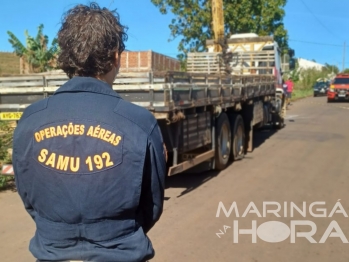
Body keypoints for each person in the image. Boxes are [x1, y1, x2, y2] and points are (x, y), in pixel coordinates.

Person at [12, 3, 166, 262]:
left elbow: (29, 197)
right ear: (116, 56)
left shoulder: (29, 121)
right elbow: (152, 206)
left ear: (66, 55)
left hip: (51, 253)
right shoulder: (140, 123)